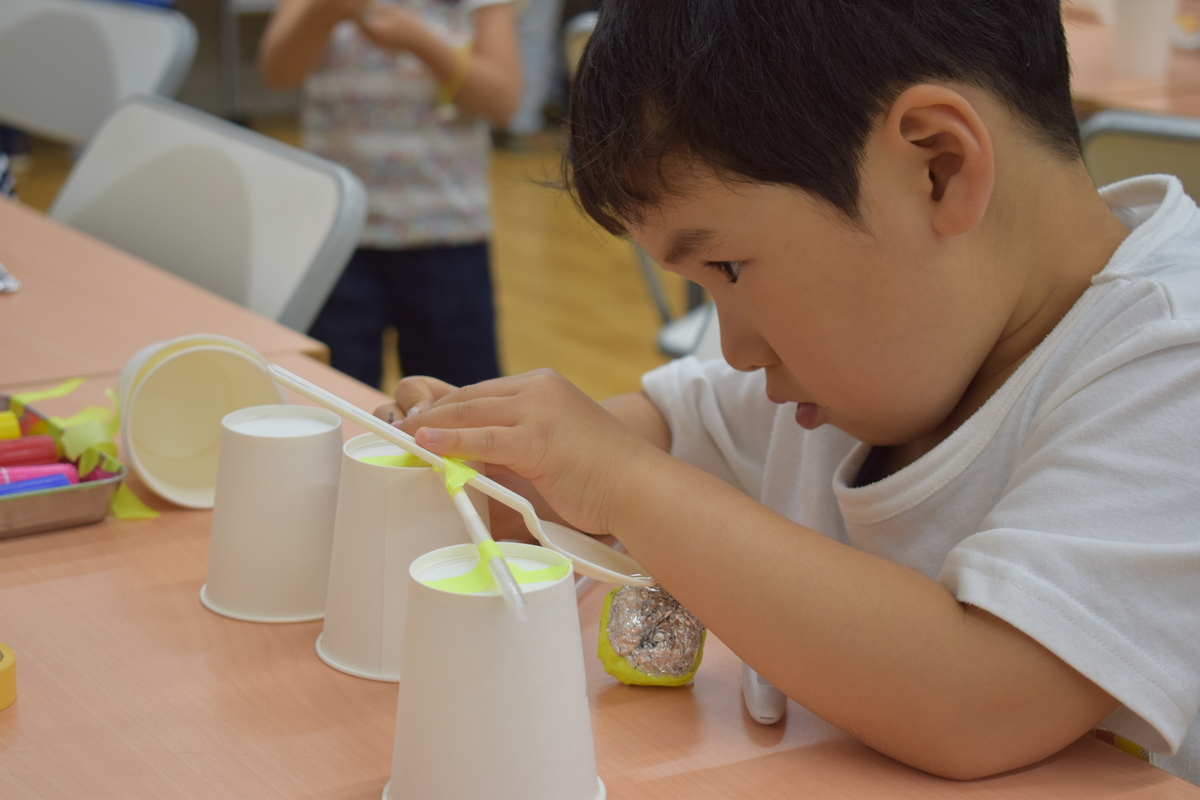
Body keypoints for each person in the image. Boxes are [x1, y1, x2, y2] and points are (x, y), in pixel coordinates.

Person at [379, 0, 1200, 784]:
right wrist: (500, 459)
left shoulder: (1174, 357)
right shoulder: (876, 367)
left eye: (729, 269)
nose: (735, 352)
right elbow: (662, 430)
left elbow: (982, 698)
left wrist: (619, 481)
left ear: (939, 167)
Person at [260, 0, 521, 389]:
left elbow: (502, 101)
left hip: (447, 237)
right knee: (336, 398)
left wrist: (420, 42)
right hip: (339, 238)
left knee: (460, 403)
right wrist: (325, 11)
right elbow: (278, 73)